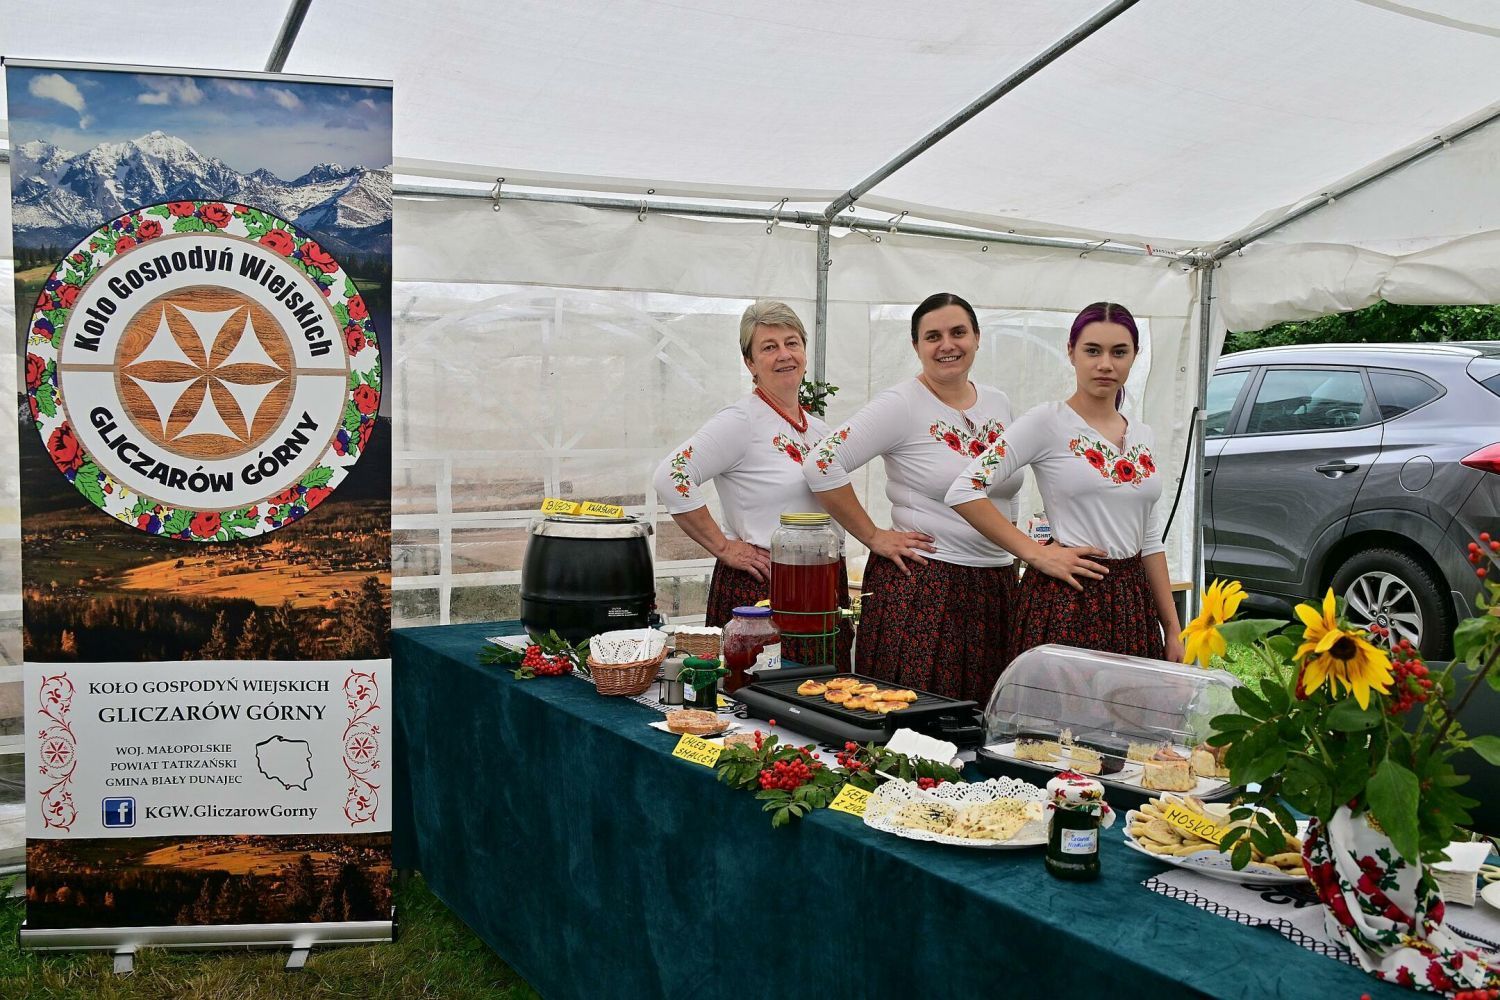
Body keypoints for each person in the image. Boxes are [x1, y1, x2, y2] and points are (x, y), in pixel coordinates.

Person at [803, 293, 1025, 702]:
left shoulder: (998, 402)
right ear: (916, 346)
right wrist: (873, 535)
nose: (947, 345)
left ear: (977, 337)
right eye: (933, 336)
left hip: (995, 585)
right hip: (926, 587)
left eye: (958, 332)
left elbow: (1006, 489)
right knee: (918, 716)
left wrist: (1020, 550)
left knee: (982, 716)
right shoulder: (902, 403)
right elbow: (822, 463)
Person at [943, 301, 1185, 663]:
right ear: (1071, 352)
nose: (1106, 364)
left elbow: (1149, 540)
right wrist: (1035, 553)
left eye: (1119, 352)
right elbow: (965, 489)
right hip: (1067, 601)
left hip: (1132, 606)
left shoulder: (1142, 435)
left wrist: (1174, 629)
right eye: (1093, 351)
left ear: (1134, 355)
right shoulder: (1046, 422)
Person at [652, 301, 852, 668]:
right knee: (764, 693)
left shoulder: (818, 430)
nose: (784, 355)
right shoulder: (740, 420)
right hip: (763, 587)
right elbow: (671, 477)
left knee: (824, 692)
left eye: (792, 343)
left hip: (821, 585)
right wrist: (724, 546)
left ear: (804, 352)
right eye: (769, 347)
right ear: (750, 363)